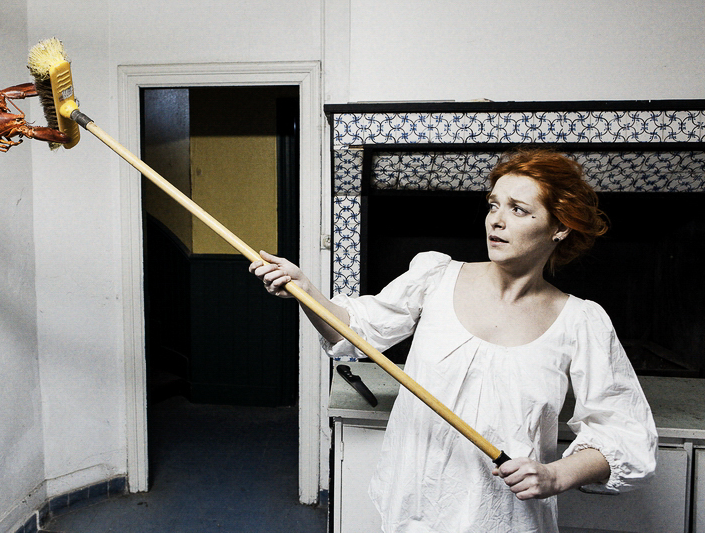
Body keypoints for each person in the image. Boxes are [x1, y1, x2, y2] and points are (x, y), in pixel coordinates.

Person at [249, 148, 657, 533]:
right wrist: (305, 290)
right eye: (494, 205)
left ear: (560, 227)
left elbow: (626, 435)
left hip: (504, 517)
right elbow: (352, 331)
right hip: (416, 507)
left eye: (518, 209)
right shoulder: (437, 277)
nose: (496, 220)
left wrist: (555, 475)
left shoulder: (581, 321)